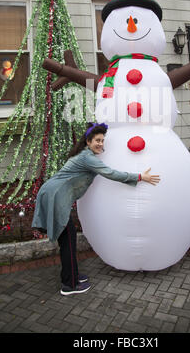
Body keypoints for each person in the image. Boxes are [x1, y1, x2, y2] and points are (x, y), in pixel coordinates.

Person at [32, 123, 160, 296]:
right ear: (88, 142)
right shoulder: (87, 158)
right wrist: (139, 177)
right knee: (68, 241)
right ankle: (69, 285)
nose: (100, 143)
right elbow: (110, 173)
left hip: (54, 194)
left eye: (102, 140)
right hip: (55, 196)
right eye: (97, 140)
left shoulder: (86, 155)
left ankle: (73, 275)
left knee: (67, 240)